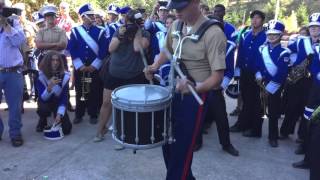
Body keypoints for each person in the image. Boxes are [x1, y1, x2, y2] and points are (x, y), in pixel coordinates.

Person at [145, 0, 226, 178]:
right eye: (175, 7)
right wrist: (154, 66)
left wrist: (196, 87)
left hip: (195, 98)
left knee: (182, 149)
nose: (176, 11)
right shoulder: (175, 25)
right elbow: (166, 50)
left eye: (181, 7)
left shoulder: (213, 33)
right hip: (172, 91)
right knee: (166, 142)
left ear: (196, 2)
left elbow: (217, 77)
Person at [94, 9, 150, 142]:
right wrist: (120, 35)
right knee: (107, 103)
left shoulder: (145, 33)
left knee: (127, 108)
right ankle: (100, 130)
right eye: (128, 22)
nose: (129, 24)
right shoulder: (119, 30)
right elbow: (111, 49)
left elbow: (137, 48)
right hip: (114, 73)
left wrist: (137, 31)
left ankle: (123, 135)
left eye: (133, 22)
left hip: (133, 75)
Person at [195, 4, 239, 156]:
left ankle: (226, 144)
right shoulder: (200, 44)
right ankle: (197, 142)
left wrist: (222, 84)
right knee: (198, 117)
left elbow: (229, 69)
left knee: (221, 118)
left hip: (216, 88)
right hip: (201, 85)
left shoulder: (226, 46)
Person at [68, 4, 109, 125]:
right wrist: (79, 65)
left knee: (94, 90)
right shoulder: (76, 31)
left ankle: (93, 113)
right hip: (80, 66)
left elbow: (103, 50)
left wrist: (94, 65)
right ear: (83, 17)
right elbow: (72, 49)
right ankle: (79, 113)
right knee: (80, 90)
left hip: (94, 66)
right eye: (90, 15)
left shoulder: (101, 31)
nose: (93, 17)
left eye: (93, 15)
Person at [230, 10, 266, 138]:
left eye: (257, 18)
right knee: (246, 99)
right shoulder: (247, 34)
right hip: (245, 72)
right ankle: (243, 124)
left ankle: (255, 130)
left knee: (257, 103)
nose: (254, 20)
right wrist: (237, 68)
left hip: (258, 75)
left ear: (262, 21)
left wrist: (261, 73)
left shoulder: (266, 36)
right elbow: (241, 53)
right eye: (253, 18)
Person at [292, 13, 320, 175]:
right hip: (306, 84)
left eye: (317, 27)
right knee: (307, 119)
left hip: (317, 87)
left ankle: (311, 158)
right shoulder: (304, 41)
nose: (314, 30)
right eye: (312, 27)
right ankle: (307, 154)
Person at [255, 20, 290, 147]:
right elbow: (258, 65)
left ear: (280, 35)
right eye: (269, 34)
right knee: (259, 108)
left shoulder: (284, 52)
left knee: (273, 112)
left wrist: (269, 88)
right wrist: (258, 74)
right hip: (262, 83)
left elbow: (282, 73)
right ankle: (256, 131)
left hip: (275, 86)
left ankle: (273, 137)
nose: (271, 36)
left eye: (275, 34)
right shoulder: (262, 49)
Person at [35, 4, 68, 132]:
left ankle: (61, 107)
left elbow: (63, 44)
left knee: (61, 85)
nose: (49, 18)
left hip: (59, 60)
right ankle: (42, 118)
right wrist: (55, 45)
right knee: (42, 87)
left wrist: (47, 46)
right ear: (44, 18)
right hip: (44, 61)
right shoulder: (41, 31)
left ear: (55, 17)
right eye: (47, 16)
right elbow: (38, 45)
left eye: (51, 16)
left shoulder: (61, 31)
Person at [0, 3, 26, 147]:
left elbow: (19, 41)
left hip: (13, 72)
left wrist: (6, 25)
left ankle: (15, 134)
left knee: (15, 106)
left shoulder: (13, 22)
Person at [35, 51, 72, 136]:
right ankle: (43, 119)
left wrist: (59, 114)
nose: (55, 63)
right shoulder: (40, 76)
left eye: (57, 60)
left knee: (67, 129)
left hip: (58, 103)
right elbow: (42, 98)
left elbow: (64, 98)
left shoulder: (65, 76)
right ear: (48, 62)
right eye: (52, 60)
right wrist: (49, 87)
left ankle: (56, 115)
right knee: (43, 109)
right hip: (45, 102)